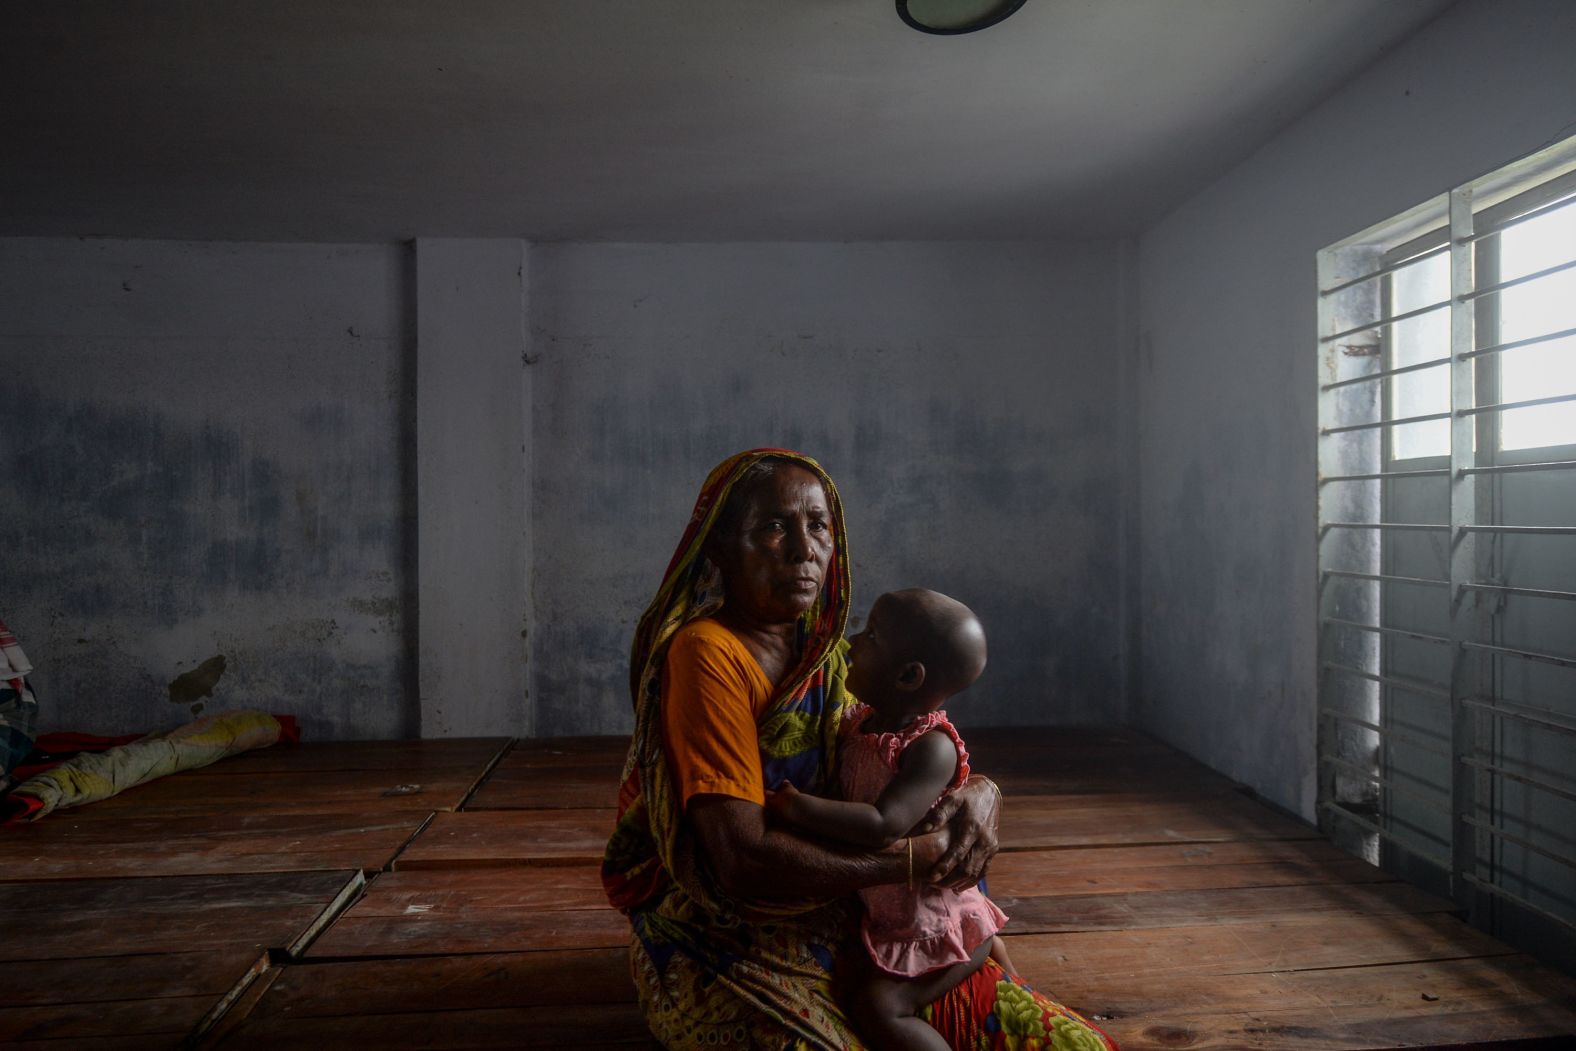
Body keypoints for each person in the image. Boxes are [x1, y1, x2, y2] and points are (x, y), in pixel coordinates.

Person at [602, 449, 1118, 1050]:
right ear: (719, 549)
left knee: (1068, 1044)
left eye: (818, 525)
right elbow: (742, 860)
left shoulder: (826, 652)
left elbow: (900, 751)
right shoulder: (708, 653)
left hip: (861, 913)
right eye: (773, 527)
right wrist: (914, 858)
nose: (805, 550)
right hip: (726, 928)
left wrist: (982, 791)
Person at [766, 588, 1016, 1051]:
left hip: (934, 924)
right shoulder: (861, 723)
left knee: (879, 1009)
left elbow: (885, 823)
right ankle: (992, 961)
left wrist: (798, 808)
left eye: (870, 635)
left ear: (906, 676)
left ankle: (983, 952)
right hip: (890, 911)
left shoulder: (930, 747)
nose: (852, 643)